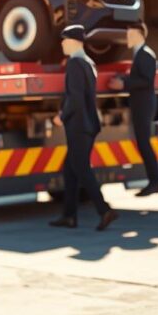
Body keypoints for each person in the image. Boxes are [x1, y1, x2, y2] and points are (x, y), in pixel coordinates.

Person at [50, 24, 119, 231]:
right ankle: (69, 216)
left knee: (80, 168)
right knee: (70, 170)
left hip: (79, 125)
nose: (62, 43)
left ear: (73, 41)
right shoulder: (88, 62)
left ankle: (104, 210)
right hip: (88, 123)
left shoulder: (75, 64)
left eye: (64, 40)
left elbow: (76, 98)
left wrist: (62, 116)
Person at [108, 22, 158, 196]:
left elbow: (146, 81)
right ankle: (154, 182)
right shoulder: (140, 54)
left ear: (140, 34)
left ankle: (155, 183)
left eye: (130, 35)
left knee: (144, 143)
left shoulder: (145, 54)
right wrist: (123, 79)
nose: (127, 38)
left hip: (144, 104)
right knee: (143, 143)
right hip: (141, 103)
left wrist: (124, 83)